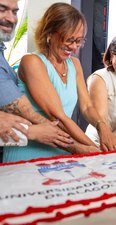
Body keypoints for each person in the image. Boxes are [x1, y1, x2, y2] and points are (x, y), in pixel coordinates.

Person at [3, 2, 104, 162]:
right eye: (69, 40)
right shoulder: (32, 62)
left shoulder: (75, 65)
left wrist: (103, 128)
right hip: (30, 152)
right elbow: (58, 116)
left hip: (63, 150)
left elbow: (87, 106)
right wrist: (94, 149)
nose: (74, 48)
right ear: (50, 34)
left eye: (79, 41)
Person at [0, 0, 73, 161]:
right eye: (2, 9)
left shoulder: (2, 56)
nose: (11, 18)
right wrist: (32, 132)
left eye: (14, 12)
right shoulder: (31, 62)